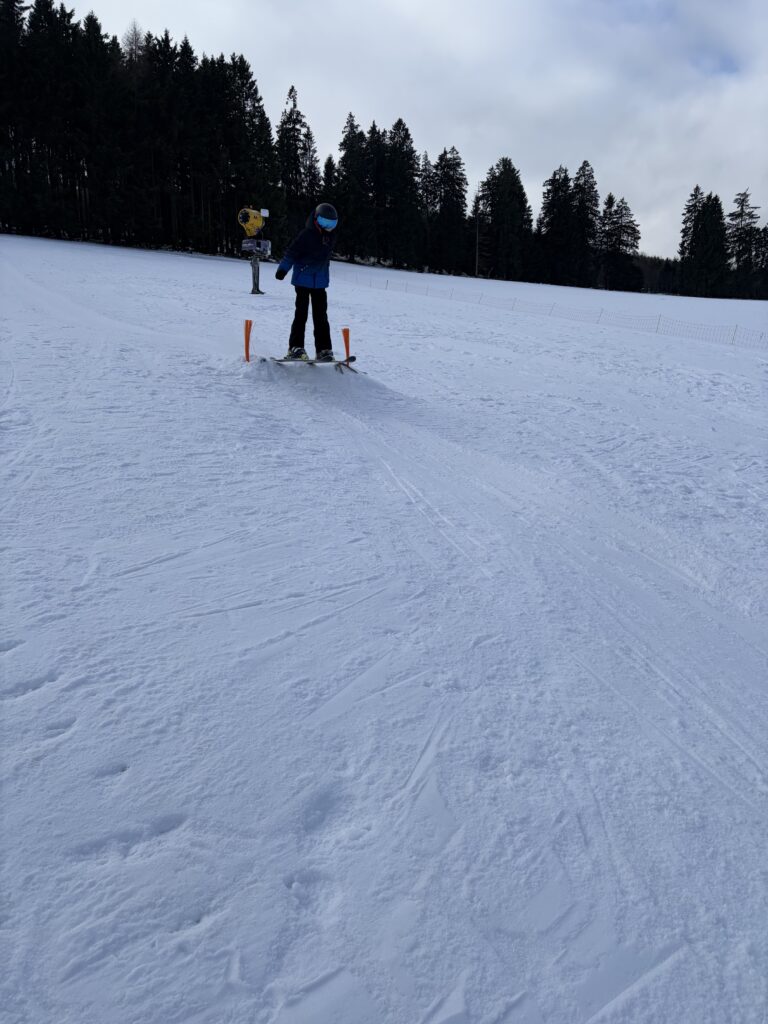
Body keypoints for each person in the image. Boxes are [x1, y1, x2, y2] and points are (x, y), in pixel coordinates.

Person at [275, 203, 338, 361]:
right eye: (325, 223)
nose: (328, 227)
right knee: (301, 314)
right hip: (302, 280)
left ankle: (324, 350)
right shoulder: (306, 235)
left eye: (331, 224)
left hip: (320, 283)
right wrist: (283, 269)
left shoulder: (330, 237)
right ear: (316, 219)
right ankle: (295, 348)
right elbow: (291, 253)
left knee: (321, 317)